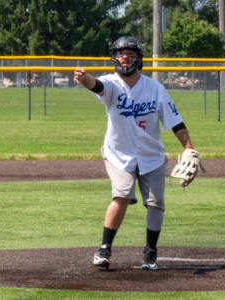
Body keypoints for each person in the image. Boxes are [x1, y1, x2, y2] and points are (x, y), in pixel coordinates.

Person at [74, 36, 197, 271]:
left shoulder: (155, 88)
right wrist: (84, 78)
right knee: (121, 196)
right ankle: (104, 248)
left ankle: (150, 251)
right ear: (113, 59)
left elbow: (175, 121)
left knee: (156, 202)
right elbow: (96, 85)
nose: (124, 58)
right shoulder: (111, 84)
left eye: (130, 54)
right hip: (119, 154)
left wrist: (188, 146)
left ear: (139, 60)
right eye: (120, 54)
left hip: (151, 155)